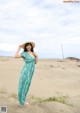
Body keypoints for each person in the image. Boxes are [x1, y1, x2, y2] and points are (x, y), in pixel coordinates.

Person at [14, 41, 38, 107]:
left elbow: (35, 62)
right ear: (25, 47)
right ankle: (21, 101)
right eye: (27, 45)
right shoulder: (24, 53)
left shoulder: (33, 53)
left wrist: (37, 56)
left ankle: (23, 99)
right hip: (25, 71)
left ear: (31, 46)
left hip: (31, 72)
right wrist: (19, 48)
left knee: (27, 85)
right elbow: (15, 56)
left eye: (29, 45)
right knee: (23, 85)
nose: (28, 46)